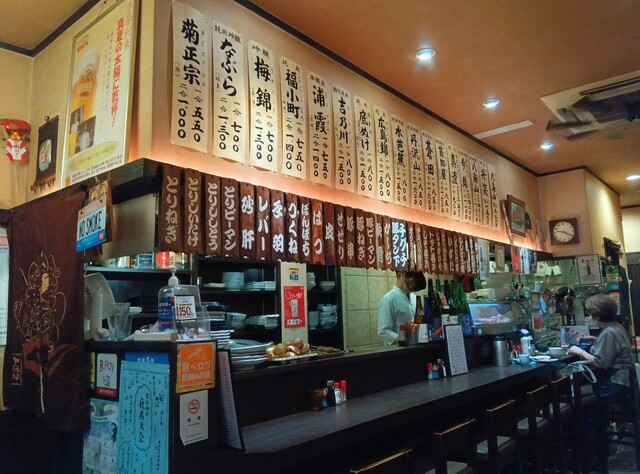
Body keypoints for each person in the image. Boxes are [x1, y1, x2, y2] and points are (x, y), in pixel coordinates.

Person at [567, 293, 633, 469]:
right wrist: (596, 340)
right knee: (588, 406)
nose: (589, 317)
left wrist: (579, 351)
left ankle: (595, 457)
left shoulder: (609, 332)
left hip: (617, 382)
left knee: (586, 409)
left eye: (590, 314)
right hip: (623, 381)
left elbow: (600, 362)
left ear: (597, 315)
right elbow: (610, 348)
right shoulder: (615, 327)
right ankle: (595, 452)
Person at [378, 271, 426, 345]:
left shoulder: (415, 298)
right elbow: (383, 332)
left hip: (416, 347)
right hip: (398, 349)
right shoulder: (389, 299)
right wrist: (404, 339)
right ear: (399, 275)